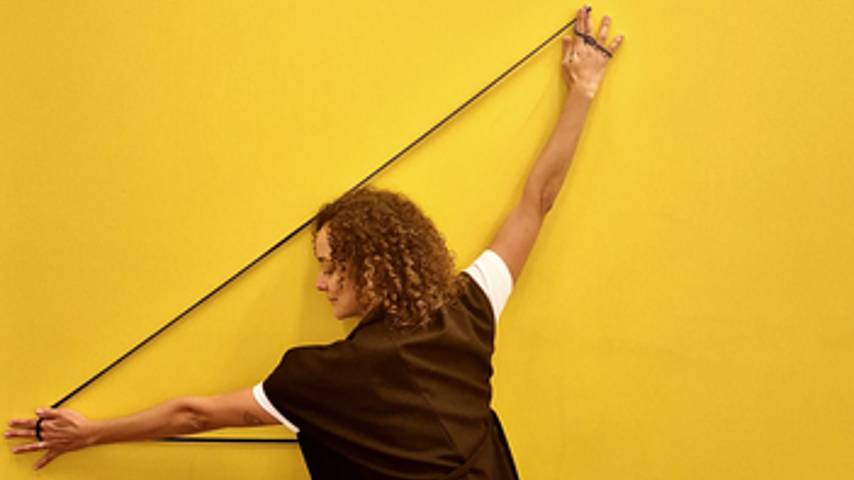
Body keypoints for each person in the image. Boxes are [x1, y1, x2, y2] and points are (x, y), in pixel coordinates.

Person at [6, 5, 623, 477]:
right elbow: (536, 201)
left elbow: (195, 415)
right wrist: (583, 90)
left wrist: (91, 433)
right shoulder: (467, 308)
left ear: (374, 264)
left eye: (330, 267)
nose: (322, 283)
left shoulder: (317, 377)